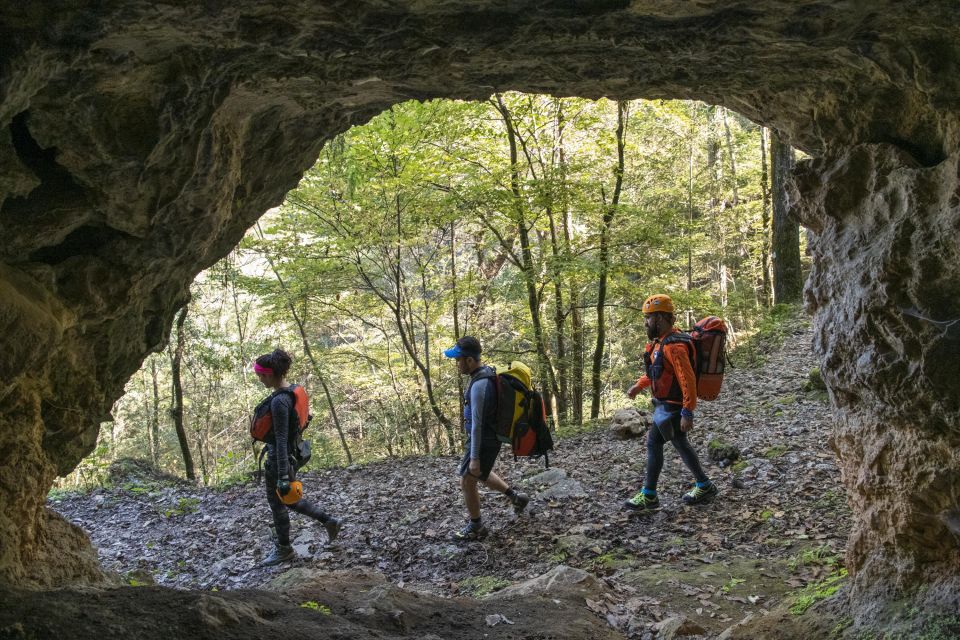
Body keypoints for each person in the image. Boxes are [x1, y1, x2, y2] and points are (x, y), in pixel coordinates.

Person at [624, 294, 717, 510]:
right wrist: (640, 385)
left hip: (673, 408)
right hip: (664, 407)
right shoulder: (661, 343)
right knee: (676, 444)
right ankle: (703, 484)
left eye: (648, 318)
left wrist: (687, 411)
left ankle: (650, 494)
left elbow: (687, 380)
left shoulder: (675, 346)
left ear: (660, 318)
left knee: (656, 443)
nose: (646, 322)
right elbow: (659, 373)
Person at [253, 349, 342, 565]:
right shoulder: (294, 391)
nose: (260, 380)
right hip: (294, 453)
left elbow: (281, 438)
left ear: (269, 374)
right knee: (288, 500)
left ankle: (284, 549)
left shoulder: (278, 402)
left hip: (280, 459)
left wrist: (282, 474)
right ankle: (328, 521)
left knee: (280, 503)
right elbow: (304, 420)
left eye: (261, 376)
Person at [444, 336, 529, 541]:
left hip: (483, 440)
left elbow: (478, 424)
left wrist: (474, 457)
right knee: (480, 474)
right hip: (488, 438)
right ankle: (516, 498)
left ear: (470, 361)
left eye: (459, 360)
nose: (457, 364)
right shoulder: (487, 373)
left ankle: (476, 526)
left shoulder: (479, 385)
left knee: (467, 480)